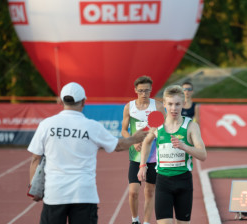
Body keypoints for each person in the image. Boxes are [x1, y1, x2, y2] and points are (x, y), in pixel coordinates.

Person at [28, 82, 148, 224]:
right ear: (84, 102)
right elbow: (118, 145)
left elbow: (35, 159)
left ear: (60, 101)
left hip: (55, 194)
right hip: (84, 194)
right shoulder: (92, 127)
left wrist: (33, 186)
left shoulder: (46, 125)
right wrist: (135, 138)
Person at [137, 85, 207, 224]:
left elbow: (203, 155)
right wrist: (143, 164)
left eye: (177, 104)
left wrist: (184, 146)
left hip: (184, 182)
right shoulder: (157, 124)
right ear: (164, 104)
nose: (173, 108)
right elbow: (146, 142)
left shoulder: (191, 126)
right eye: (170, 104)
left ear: (183, 104)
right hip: (163, 182)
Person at [121, 76, 166, 224]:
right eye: (140, 91)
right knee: (133, 192)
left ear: (151, 89)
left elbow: (165, 129)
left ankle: (146, 222)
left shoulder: (158, 106)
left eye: (147, 90)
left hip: (153, 157)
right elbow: (123, 130)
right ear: (135, 90)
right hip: (135, 156)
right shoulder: (129, 107)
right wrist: (132, 141)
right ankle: (135, 220)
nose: (144, 93)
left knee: (150, 191)